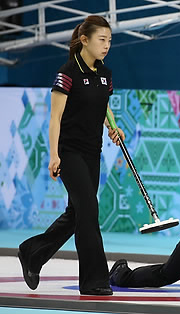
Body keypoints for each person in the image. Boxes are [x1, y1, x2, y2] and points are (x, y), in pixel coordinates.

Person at [17, 15, 125, 296]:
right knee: (89, 211)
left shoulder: (106, 73)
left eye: (110, 40)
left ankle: (32, 252)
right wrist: (54, 155)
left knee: (77, 213)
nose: (106, 46)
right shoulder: (67, 72)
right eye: (102, 40)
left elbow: (103, 106)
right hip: (70, 152)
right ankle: (94, 280)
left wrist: (113, 128)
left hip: (93, 152)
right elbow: (55, 118)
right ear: (84, 40)